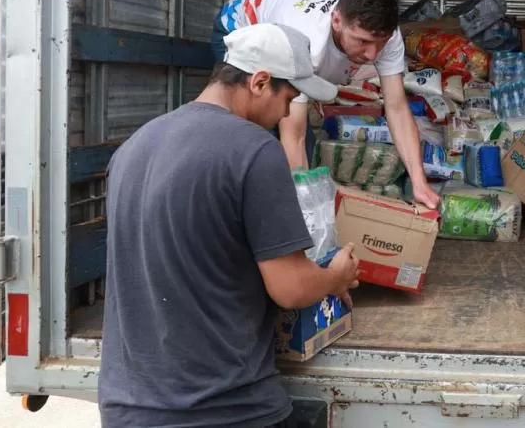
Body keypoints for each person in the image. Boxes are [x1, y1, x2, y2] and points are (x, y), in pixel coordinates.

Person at [98, 23, 361, 427]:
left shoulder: (135, 146)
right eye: (289, 97)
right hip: (223, 408)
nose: (289, 113)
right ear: (259, 82)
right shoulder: (254, 150)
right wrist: (336, 276)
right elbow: (290, 288)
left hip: (129, 407)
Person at [211, 0, 441, 210]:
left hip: (289, 20)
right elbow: (294, 135)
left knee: (300, 152)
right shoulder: (305, 41)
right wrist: (307, 212)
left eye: (379, 43)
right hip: (241, 23)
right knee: (261, 138)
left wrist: (419, 182)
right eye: (362, 41)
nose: (372, 55)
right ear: (337, 20)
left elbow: (397, 108)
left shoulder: (387, 36)